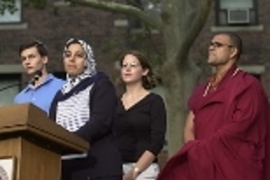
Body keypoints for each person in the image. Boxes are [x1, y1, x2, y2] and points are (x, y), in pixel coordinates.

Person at [156, 32, 270, 180]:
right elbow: (190, 125)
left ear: (233, 51)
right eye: (211, 44)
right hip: (201, 164)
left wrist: (202, 147)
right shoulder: (203, 90)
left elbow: (239, 127)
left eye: (218, 45)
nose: (211, 48)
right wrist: (194, 150)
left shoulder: (247, 85)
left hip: (232, 165)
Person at [49, 38, 122, 180]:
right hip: (68, 170)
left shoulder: (101, 85)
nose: (72, 59)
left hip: (98, 168)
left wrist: (69, 141)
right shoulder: (59, 95)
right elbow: (51, 128)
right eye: (68, 55)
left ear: (88, 60)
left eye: (79, 55)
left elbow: (100, 122)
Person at [113, 51, 167, 180]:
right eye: (124, 65)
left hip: (145, 171)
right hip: (116, 168)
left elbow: (157, 142)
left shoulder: (154, 101)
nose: (127, 68)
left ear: (144, 71)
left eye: (133, 65)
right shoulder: (114, 103)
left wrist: (134, 172)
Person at [14, 41, 65, 114]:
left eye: (31, 57)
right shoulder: (19, 98)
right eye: (24, 59)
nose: (27, 62)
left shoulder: (63, 87)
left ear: (44, 59)